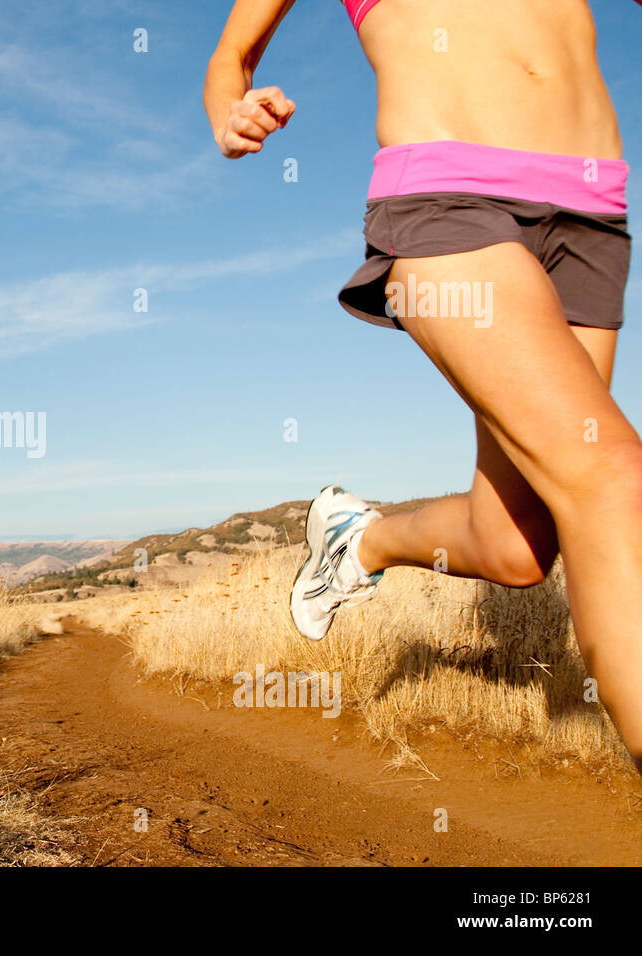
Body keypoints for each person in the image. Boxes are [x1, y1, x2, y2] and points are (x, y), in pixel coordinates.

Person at [204, 0, 641, 773]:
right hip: (451, 199)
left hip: (593, 214)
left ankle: (359, 538)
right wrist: (231, 110)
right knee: (611, 476)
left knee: (517, 547)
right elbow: (233, 55)